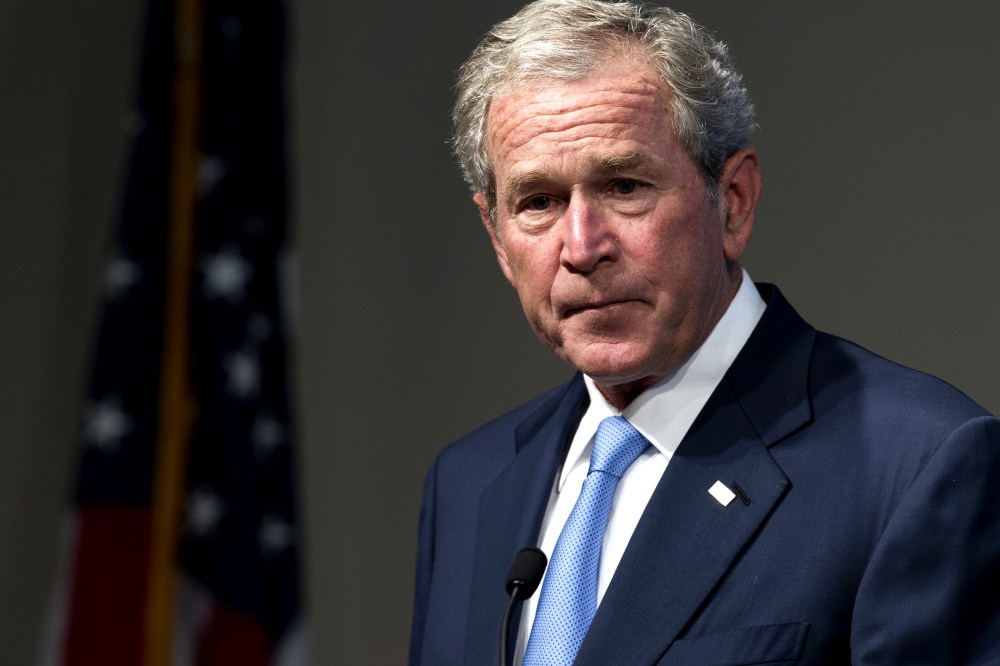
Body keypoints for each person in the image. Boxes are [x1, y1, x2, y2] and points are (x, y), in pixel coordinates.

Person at [409, 1, 1000, 663]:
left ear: (734, 202)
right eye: (539, 201)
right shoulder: (469, 481)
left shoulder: (919, 464)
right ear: (497, 236)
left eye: (624, 185)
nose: (582, 246)